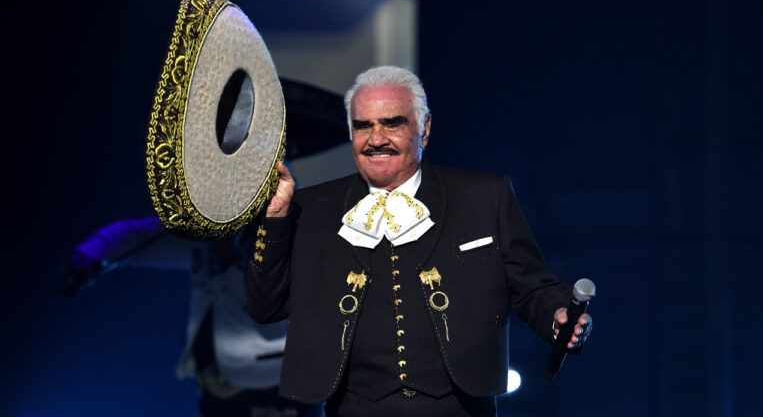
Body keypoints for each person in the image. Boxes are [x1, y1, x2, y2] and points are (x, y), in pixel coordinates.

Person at [245, 66, 593, 416]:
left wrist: (557, 315)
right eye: (363, 126)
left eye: (392, 124)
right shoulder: (312, 209)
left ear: (424, 130)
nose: (376, 139)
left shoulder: (484, 197)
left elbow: (532, 286)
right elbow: (266, 306)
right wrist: (275, 219)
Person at [63, 218, 320, 417]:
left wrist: (235, 261)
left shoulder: (288, 237)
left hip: (281, 393)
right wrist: (90, 252)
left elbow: (281, 320)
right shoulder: (204, 234)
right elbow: (136, 235)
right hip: (220, 395)